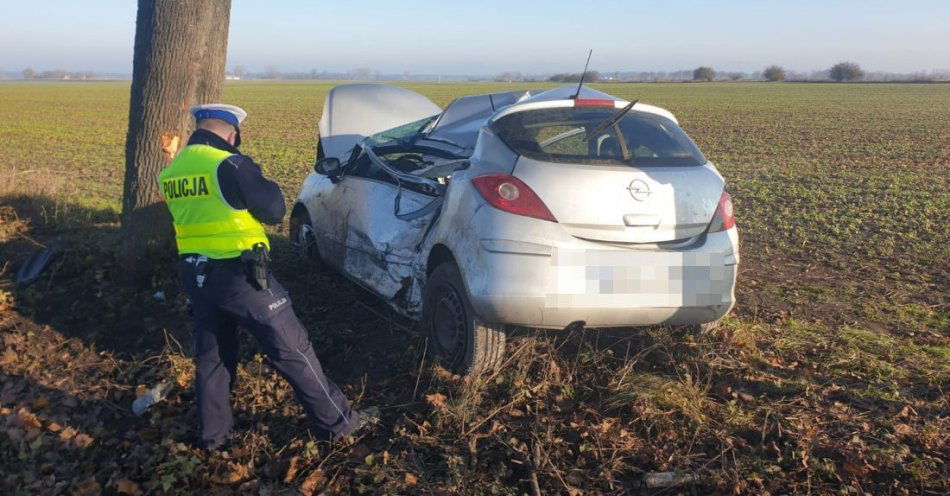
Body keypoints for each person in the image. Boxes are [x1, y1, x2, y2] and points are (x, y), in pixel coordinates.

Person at [158, 103, 374, 450]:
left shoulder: (173, 170)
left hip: (195, 275)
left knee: (213, 357)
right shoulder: (229, 163)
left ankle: (214, 438)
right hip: (240, 275)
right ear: (232, 134)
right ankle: (340, 424)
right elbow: (273, 210)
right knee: (293, 348)